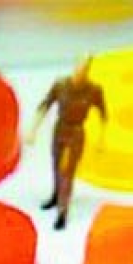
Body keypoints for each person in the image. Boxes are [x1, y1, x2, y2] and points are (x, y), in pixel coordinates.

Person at [25, 56, 107, 230]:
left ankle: (63, 210)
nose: (79, 72)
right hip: (60, 128)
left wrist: (102, 138)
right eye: (78, 68)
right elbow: (45, 105)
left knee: (67, 172)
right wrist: (33, 129)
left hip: (76, 132)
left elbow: (103, 114)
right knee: (56, 165)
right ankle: (56, 195)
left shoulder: (93, 90)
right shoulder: (61, 85)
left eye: (84, 69)